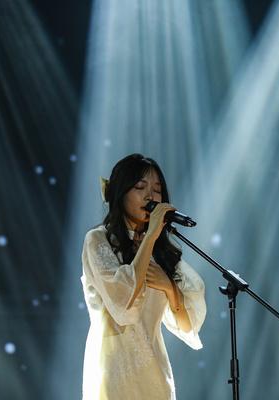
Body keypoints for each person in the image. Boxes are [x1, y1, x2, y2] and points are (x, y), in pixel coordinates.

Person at [80, 153, 206, 400]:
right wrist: (151, 236)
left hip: (155, 375)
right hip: (115, 374)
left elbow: (187, 326)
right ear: (120, 193)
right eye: (140, 187)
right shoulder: (99, 241)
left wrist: (170, 288)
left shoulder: (161, 252)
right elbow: (123, 306)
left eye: (157, 190)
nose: (151, 196)